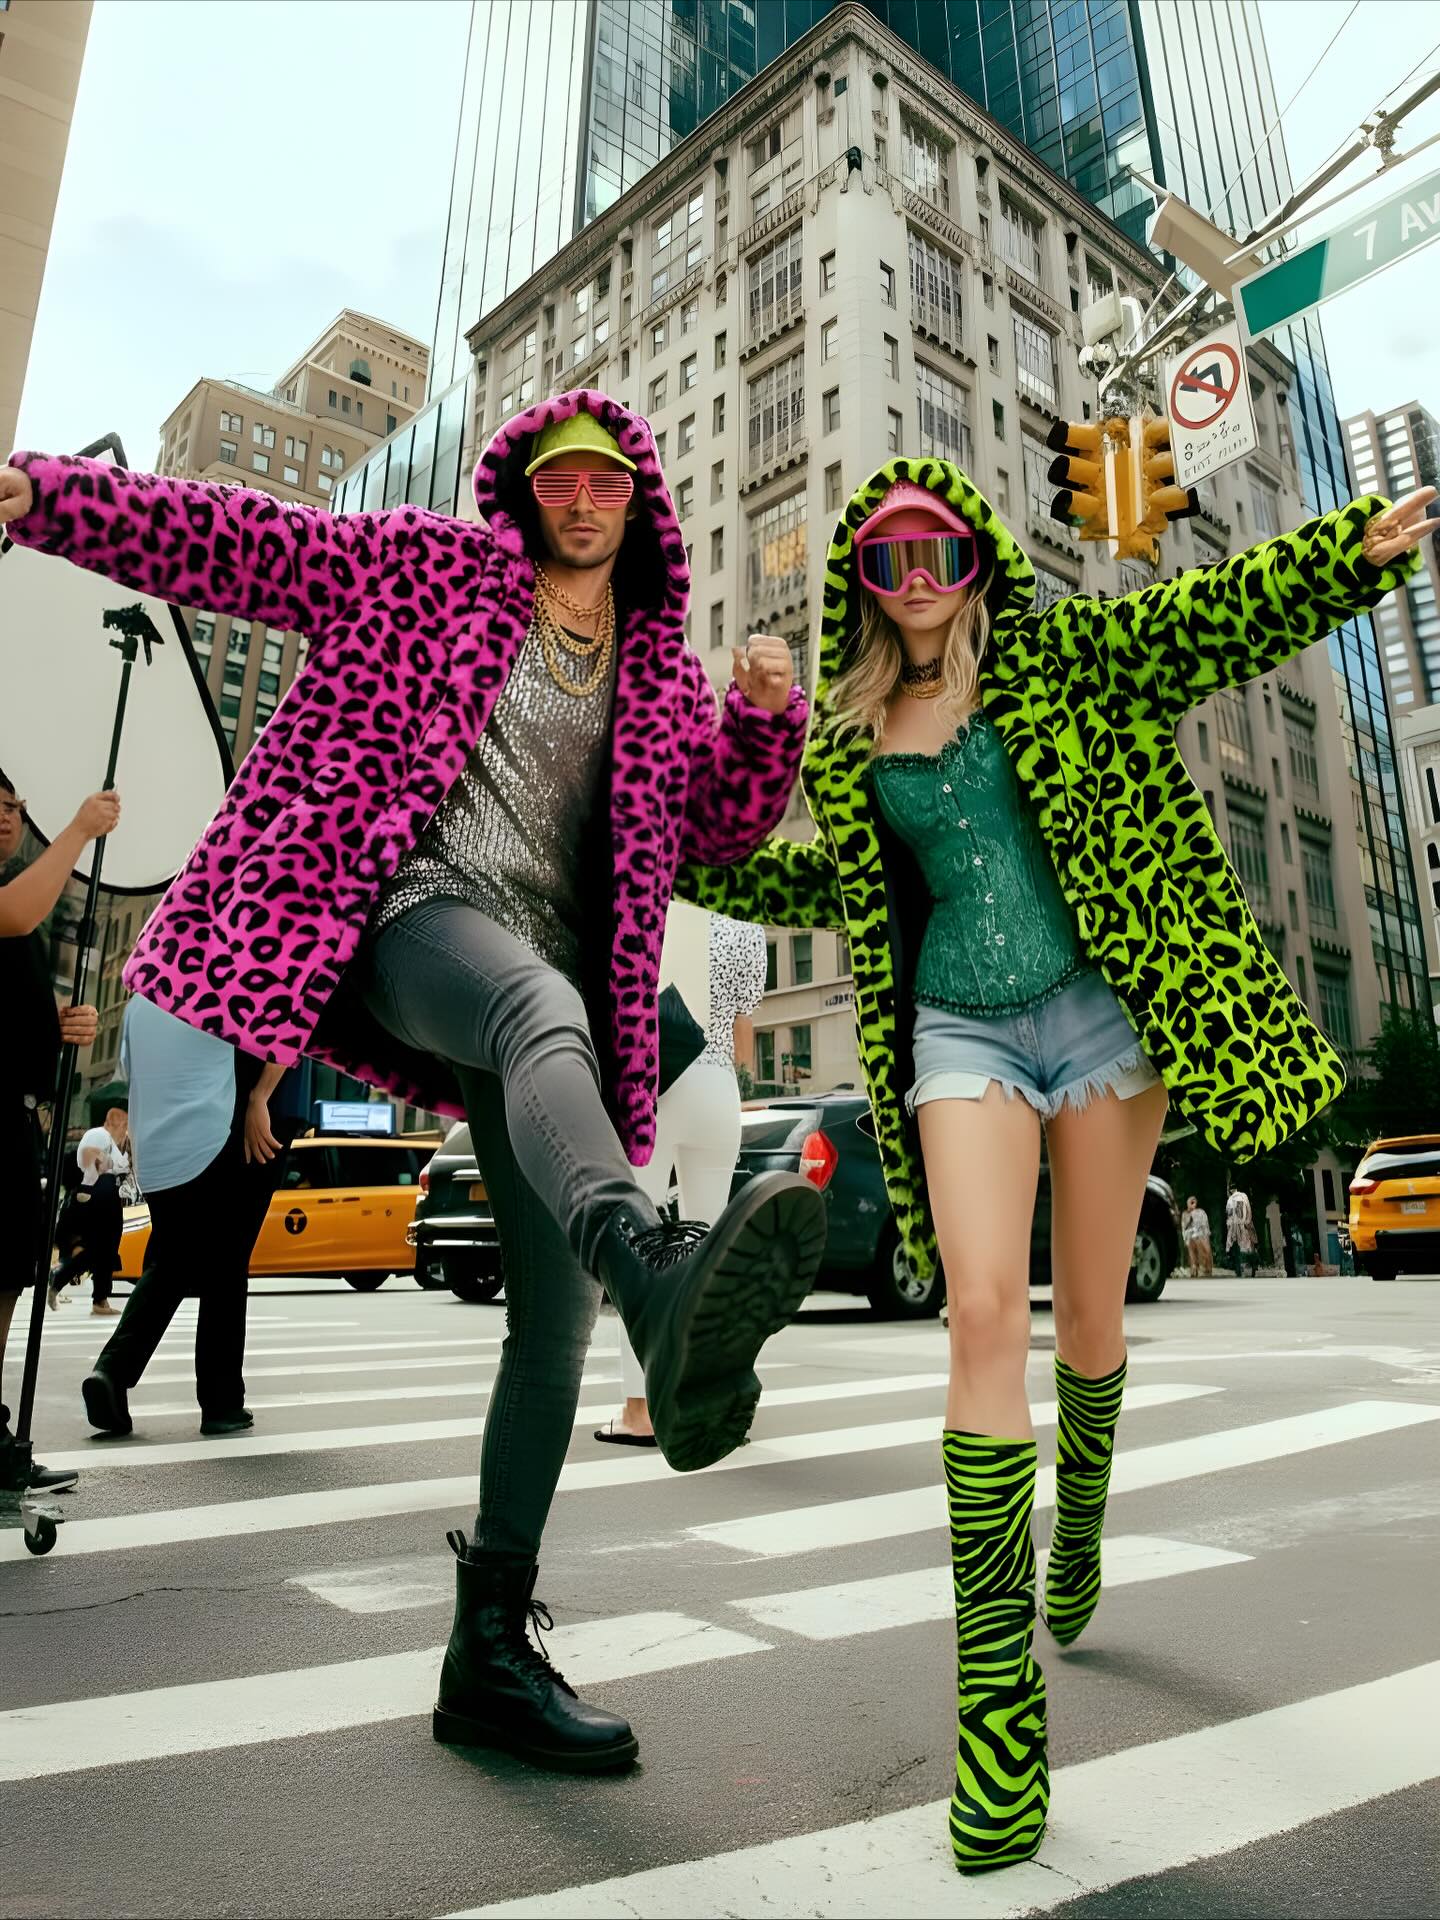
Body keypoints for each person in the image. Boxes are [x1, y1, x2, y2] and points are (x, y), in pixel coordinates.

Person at [0, 390, 826, 1775]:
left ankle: (488, 1649)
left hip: (551, 1020)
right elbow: (240, 541)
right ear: (528, 490)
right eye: (558, 477)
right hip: (412, 927)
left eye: (604, 483)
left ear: (637, 507)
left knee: (551, 1334)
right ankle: (656, 1265)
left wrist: (763, 721)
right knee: (536, 1002)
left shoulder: (661, 675)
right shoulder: (429, 568)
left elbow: (721, 836)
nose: (579, 499)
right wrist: (47, 499)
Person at [681, 458, 1433, 1871]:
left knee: (1089, 1323)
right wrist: (672, 850)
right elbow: (817, 886)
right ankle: (998, 1722)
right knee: (980, 1318)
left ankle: (1076, 1525)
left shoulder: (1065, 653)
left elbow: (1214, 617)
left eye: (940, 555)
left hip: (1102, 1024)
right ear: (861, 577)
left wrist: (1349, 554)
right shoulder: (847, 742)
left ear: (976, 564)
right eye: (890, 561)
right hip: (960, 1031)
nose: (917, 583)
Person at [80, 995, 303, 1438]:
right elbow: (293, 1015)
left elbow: (133, 1069)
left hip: (164, 1144)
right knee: (227, 1258)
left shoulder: (146, 992)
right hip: (239, 1119)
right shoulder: (239, 960)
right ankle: (220, 1402)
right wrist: (261, 1094)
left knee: (173, 1257)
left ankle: (113, 1373)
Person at [598, 911, 769, 1446]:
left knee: (638, 1249)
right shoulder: (742, 919)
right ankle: (708, 1404)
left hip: (658, 1077)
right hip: (719, 1088)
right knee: (713, 1257)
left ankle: (641, 1408)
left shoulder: (651, 899)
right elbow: (744, 1034)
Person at [0, 771, 120, 1492]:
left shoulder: (24, 903)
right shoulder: (19, 902)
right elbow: (10, 916)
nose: (7, 819)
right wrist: (78, 831)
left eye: (13, 808)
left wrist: (63, 1026)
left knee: (10, 1275)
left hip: (13, 1118)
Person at [49, 1098, 129, 1314]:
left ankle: (97, 1297)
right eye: (124, 1121)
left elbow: (121, 1165)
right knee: (104, 1246)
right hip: (101, 1190)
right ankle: (89, 1293)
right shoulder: (98, 1135)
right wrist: (88, 1188)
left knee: (102, 1249)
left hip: (102, 1191)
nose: (126, 1127)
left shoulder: (109, 1140)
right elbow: (90, 1161)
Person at [1225, 1183, 1258, 1277]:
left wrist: (1230, 1228)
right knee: (1248, 1246)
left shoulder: (1230, 1200)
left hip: (1234, 1226)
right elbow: (1248, 1209)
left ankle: (1240, 1269)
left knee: (1237, 1247)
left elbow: (1229, 1215)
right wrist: (1248, 1221)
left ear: (1231, 1190)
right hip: (1244, 1224)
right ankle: (1252, 1267)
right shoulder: (1244, 1196)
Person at [1180, 1195, 1213, 1276]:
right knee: (1192, 1254)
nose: (1192, 1204)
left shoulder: (1201, 1212)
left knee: (1206, 1251)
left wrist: (1206, 1236)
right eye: (1190, 1202)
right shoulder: (1185, 1214)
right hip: (1190, 1237)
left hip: (1202, 1235)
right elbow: (1184, 1226)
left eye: (1193, 1202)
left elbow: (1205, 1224)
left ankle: (1207, 1269)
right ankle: (1194, 1269)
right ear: (1187, 1203)